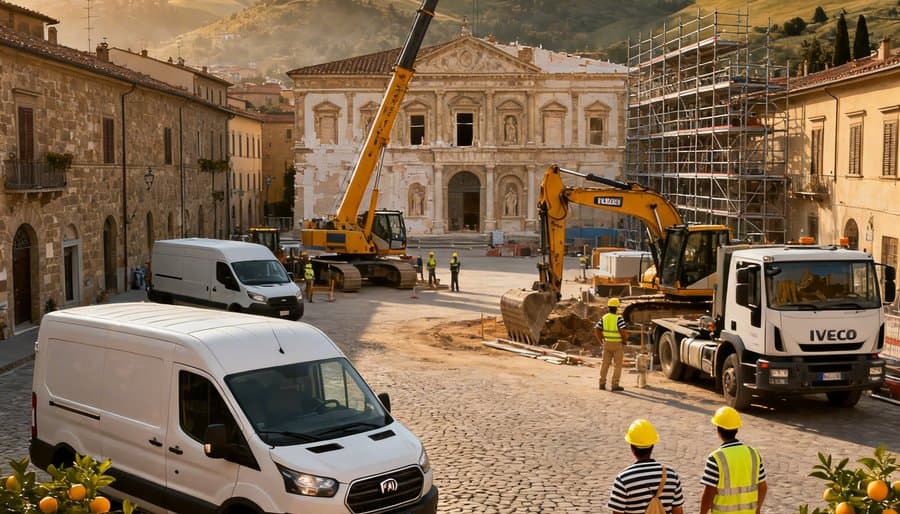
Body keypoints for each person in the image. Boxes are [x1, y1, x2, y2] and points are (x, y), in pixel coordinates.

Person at [608, 419, 685, 514]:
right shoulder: (671, 475)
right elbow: (678, 511)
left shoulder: (623, 479)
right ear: (652, 445)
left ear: (632, 447)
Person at [700, 407, 767, 514]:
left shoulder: (715, 458)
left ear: (718, 430)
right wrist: (757, 509)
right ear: (737, 429)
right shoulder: (753, 453)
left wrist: (702, 513)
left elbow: (709, 491)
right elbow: (763, 486)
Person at [595, 297, 627, 391]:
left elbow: (596, 329)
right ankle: (615, 385)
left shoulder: (604, 318)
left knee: (605, 364)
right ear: (617, 308)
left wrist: (601, 340)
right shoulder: (619, 318)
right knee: (618, 365)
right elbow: (623, 330)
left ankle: (602, 383)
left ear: (609, 307)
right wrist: (624, 341)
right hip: (617, 345)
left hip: (607, 344)